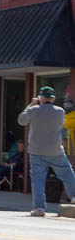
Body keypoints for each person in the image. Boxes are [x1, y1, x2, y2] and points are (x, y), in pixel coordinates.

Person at [18, 86, 75, 217]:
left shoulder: (33, 110)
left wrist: (30, 105)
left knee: (37, 180)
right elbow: (60, 125)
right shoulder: (60, 111)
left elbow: (21, 120)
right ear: (53, 98)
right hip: (55, 150)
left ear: (41, 98)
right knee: (67, 172)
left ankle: (39, 208)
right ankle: (74, 196)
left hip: (36, 150)